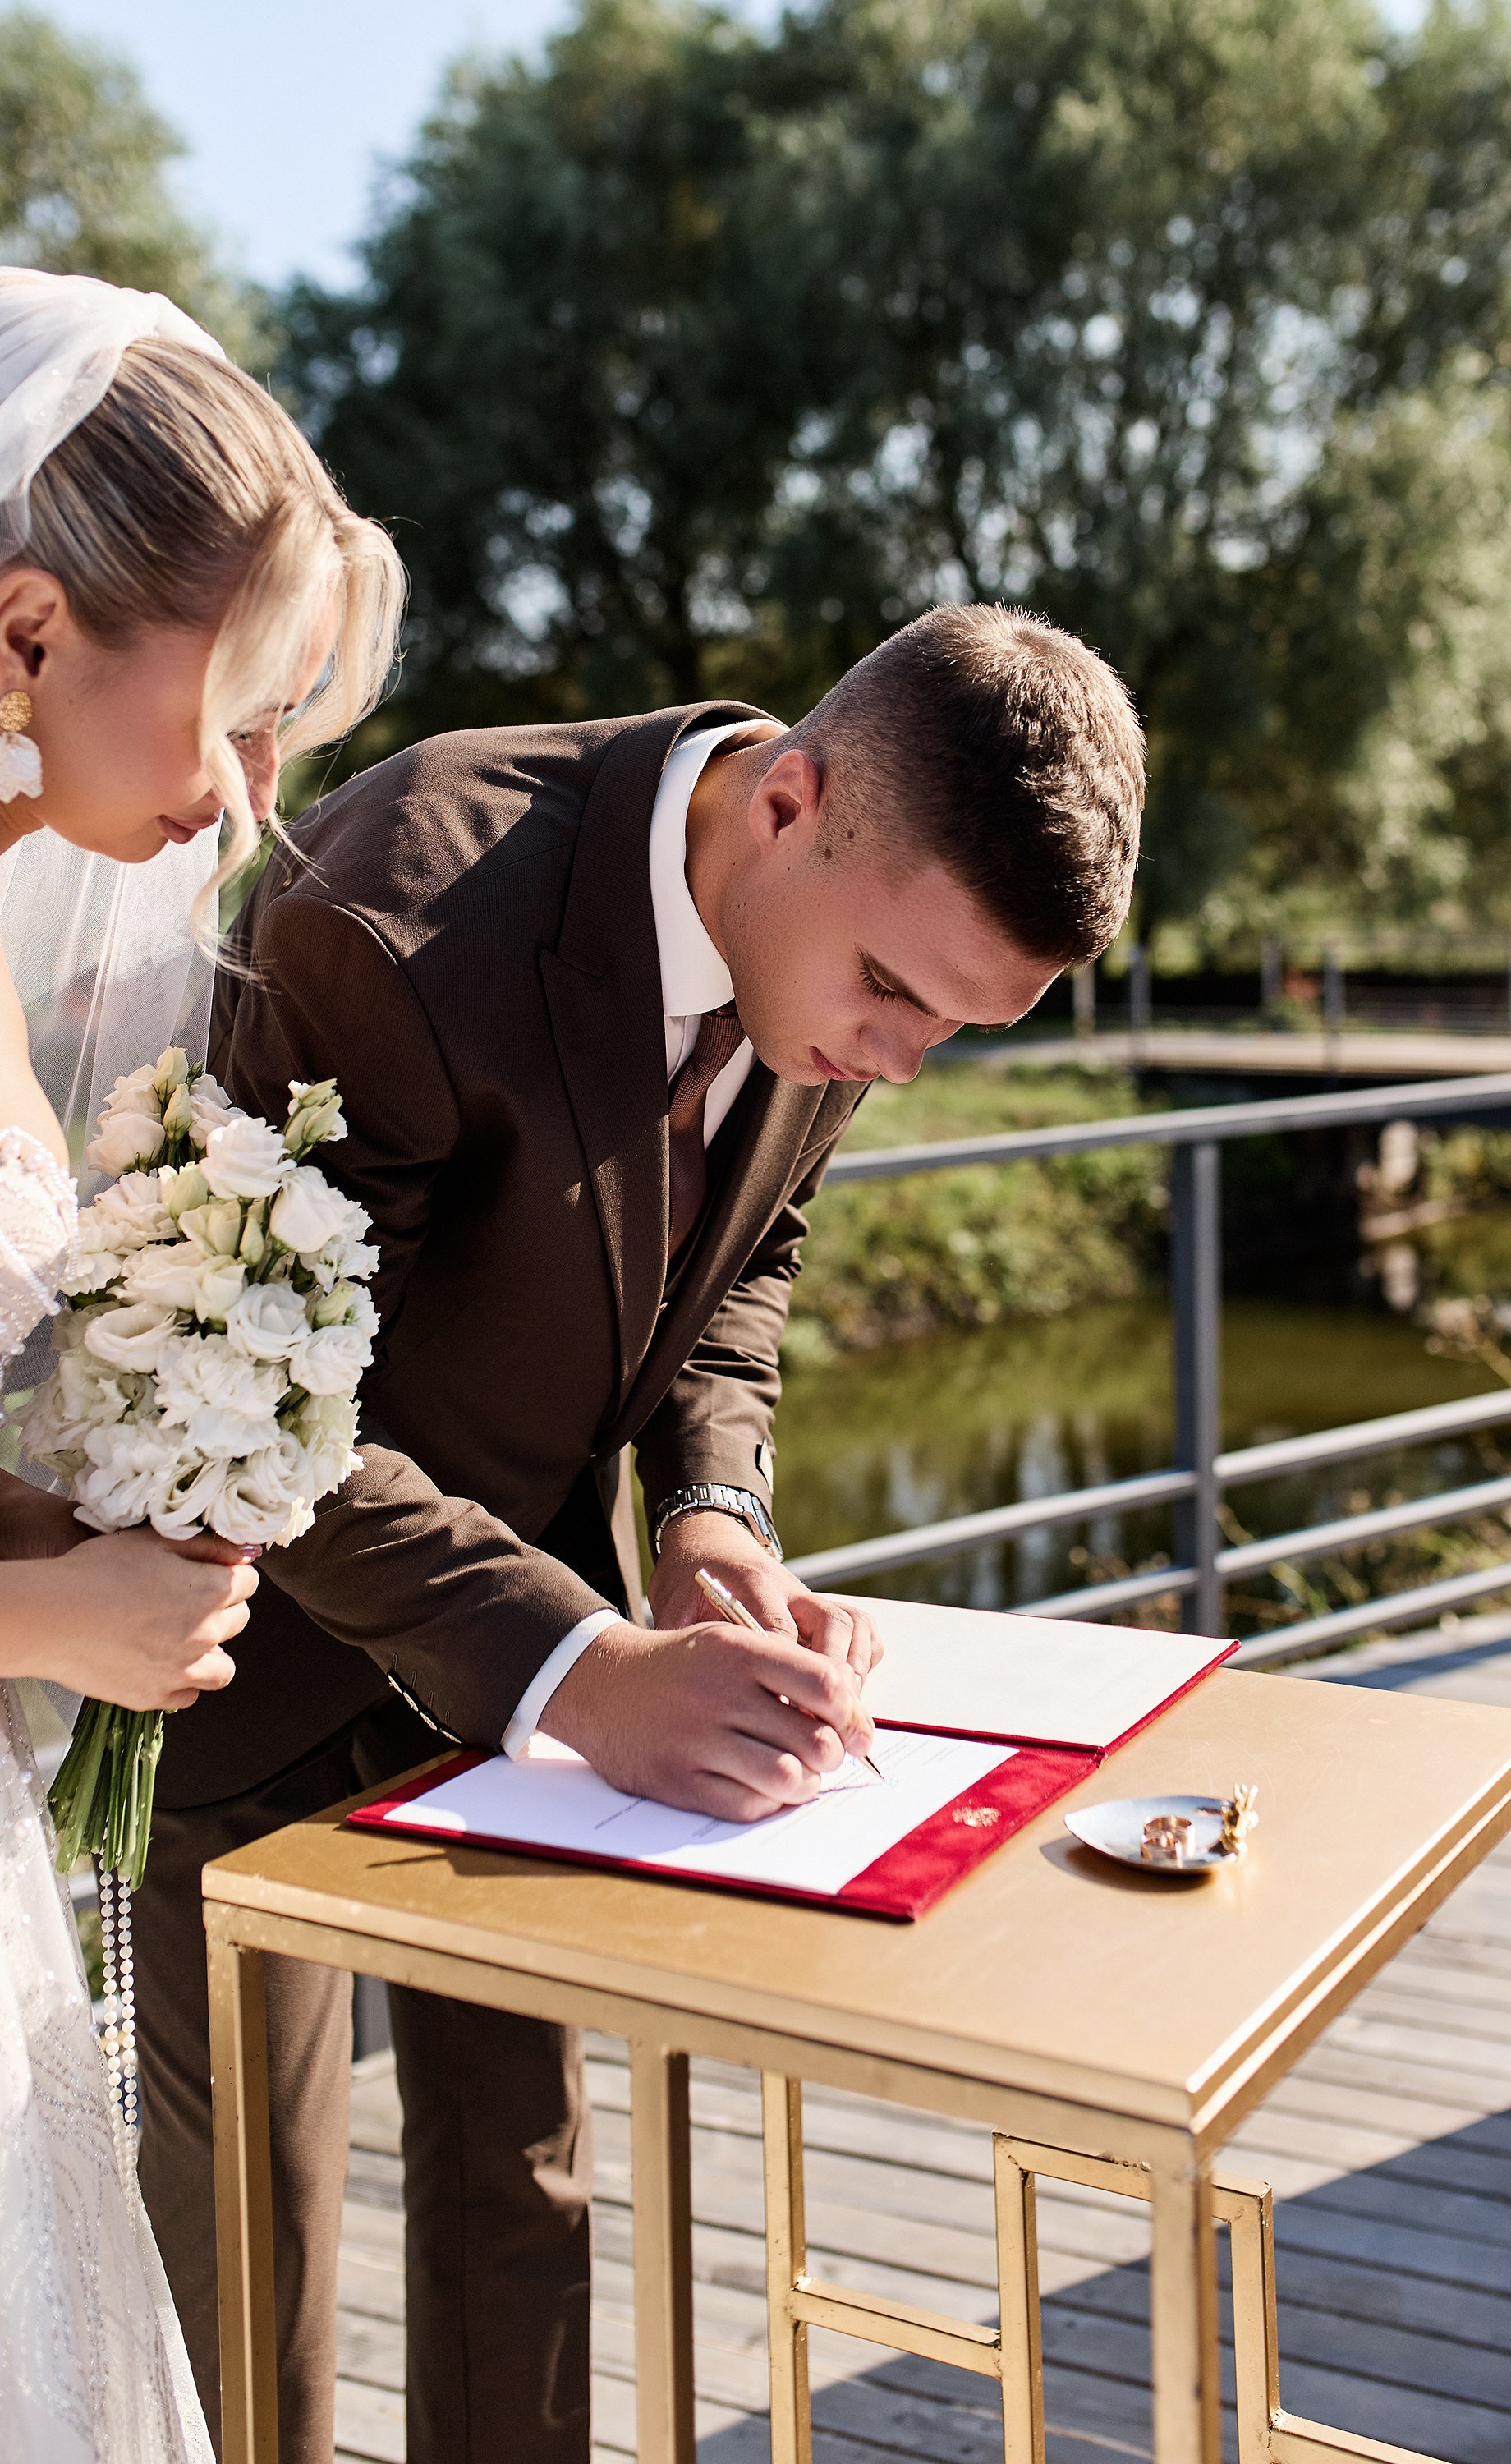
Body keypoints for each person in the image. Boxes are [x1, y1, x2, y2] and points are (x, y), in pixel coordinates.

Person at [134, 603, 1147, 2463]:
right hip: (248, 1651)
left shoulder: (831, 945)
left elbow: (743, 1264)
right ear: (788, 803)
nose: (898, 1062)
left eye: (954, 1027)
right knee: (248, 2243)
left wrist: (709, 1515)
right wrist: (583, 1670)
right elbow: (242, 1409)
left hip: (547, 1661)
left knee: (524, 2190)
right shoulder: (394, 919)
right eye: (899, 998)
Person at [0, 265, 401, 2464]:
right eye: (240, 701)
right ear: (24, 638)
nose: (256, 794)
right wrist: (47, 1615)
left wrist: (45, 1504)